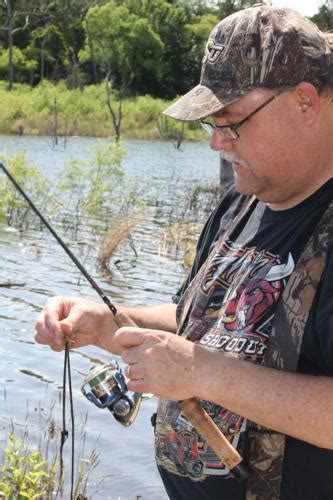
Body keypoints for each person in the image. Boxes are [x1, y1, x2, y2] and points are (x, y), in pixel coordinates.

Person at [35, 4, 333, 499]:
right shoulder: (242, 201)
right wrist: (114, 324)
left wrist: (202, 372)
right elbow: (202, 318)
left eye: (231, 122)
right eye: (209, 124)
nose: (216, 142)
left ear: (304, 102)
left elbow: (204, 360)